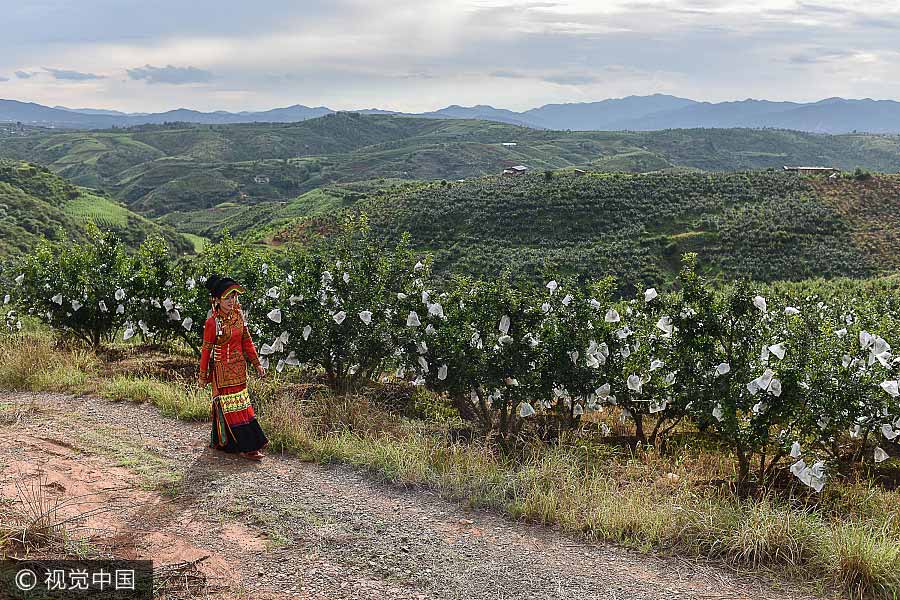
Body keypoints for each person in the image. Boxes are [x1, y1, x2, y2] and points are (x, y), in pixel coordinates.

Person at [198, 274, 269, 461]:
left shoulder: (239, 316)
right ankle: (248, 448)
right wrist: (203, 376)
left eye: (234, 297)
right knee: (231, 408)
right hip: (222, 372)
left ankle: (227, 444)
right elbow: (206, 351)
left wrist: (257, 364)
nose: (231, 301)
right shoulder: (212, 323)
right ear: (217, 300)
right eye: (227, 297)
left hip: (239, 370)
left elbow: (247, 342)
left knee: (242, 406)